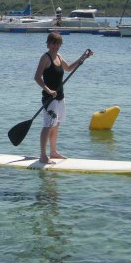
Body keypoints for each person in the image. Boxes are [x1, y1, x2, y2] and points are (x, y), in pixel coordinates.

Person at [33, 32, 93, 164]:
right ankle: (43, 155)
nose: (55, 46)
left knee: (56, 126)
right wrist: (48, 90)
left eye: (58, 43)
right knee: (47, 126)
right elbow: (37, 77)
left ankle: (53, 152)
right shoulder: (45, 58)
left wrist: (83, 57)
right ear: (48, 44)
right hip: (49, 99)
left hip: (60, 97)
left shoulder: (59, 56)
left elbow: (69, 68)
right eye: (53, 43)